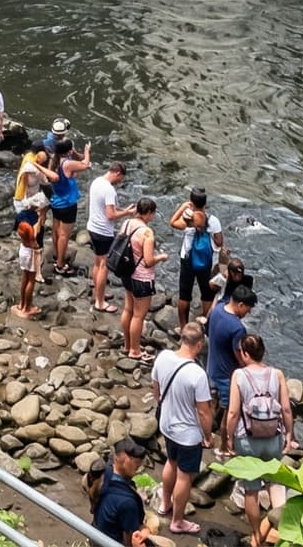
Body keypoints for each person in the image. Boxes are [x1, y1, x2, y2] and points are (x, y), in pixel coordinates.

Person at [221, 333, 291, 541]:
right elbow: (286, 409)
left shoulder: (239, 375)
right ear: (263, 352)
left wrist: (229, 438)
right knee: (275, 483)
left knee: (251, 490)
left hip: (247, 439)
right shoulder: (276, 374)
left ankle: (256, 535)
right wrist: (289, 435)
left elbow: (233, 412)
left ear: (244, 353)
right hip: (273, 436)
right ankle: (280, 531)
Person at [152, 322, 216, 535]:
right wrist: (208, 436)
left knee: (171, 461)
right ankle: (177, 521)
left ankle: (165, 503)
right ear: (199, 345)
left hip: (167, 425)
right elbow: (204, 412)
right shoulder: (197, 374)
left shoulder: (163, 357)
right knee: (184, 476)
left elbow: (156, 386)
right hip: (187, 434)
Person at [90, 435, 166, 546]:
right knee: (156, 528)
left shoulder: (103, 474)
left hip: (96, 534)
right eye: (136, 464)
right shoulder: (127, 502)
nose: (139, 467)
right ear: (124, 460)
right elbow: (130, 540)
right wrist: (146, 532)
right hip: (112, 542)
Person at [43, 122, 91, 276]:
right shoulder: (67, 164)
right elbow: (86, 164)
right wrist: (86, 151)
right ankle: (60, 264)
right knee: (65, 235)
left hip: (56, 201)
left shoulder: (53, 161)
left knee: (56, 230)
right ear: (68, 151)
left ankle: (58, 254)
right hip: (68, 204)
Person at [115, 197, 160, 358]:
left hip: (127, 273)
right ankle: (135, 350)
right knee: (139, 316)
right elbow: (148, 261)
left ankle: (127, 345)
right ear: (147, 213)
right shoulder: (147, 233)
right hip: (141, 277)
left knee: (128, 308)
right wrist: (161, 257)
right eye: (152, 214)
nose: (153, 217)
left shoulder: (127, 223)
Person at [171, 187, 222, 328]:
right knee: (207, 294)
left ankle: (183, 327)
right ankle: (206, 325)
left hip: (187, 259)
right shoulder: (213, 220)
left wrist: (182, 207)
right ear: (205, 204)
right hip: (206, 261)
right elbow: (219, 242)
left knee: (184, 294)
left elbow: (172, 222)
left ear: (191, 203)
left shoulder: (187, 220)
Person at [85, 160, 131, 314]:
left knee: (98, 262)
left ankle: (98, 291)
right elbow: (111, 215)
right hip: (103, 231)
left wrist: (122, 209)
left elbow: (105, 206)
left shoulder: (97, 181)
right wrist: (127, 213)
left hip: (92, 227)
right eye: (121, 178)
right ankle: (100, 302)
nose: (120, 182)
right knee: (104, 265)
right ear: (117, 173)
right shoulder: (109, 190)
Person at [13, 190, 47, 320]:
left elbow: (17, 230)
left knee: (24, 276)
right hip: (32, 251)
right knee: (31, 279)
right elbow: (34, 240)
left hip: (23, 248)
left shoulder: (20, 215)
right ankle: (27, 308)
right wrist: (39, 223)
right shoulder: (35, 219)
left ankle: (21, 304)